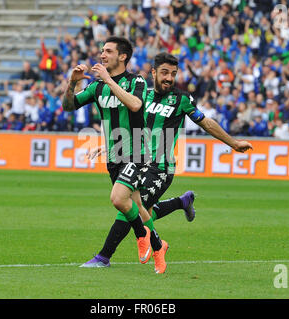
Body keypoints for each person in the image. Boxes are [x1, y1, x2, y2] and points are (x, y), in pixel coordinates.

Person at [82, 53, 253, 274]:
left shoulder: (182, 99)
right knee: (142, 210)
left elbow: (207, 123)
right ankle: (181, 202)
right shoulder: (144, 96)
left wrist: (233, 143)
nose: (169, 78)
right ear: (153, 73)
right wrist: (110, 148)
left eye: (173, 74)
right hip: (139, 161)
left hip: (161, 168)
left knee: (128, 206)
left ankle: (104, 256)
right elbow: (136, 132)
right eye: (164, 72)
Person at [62, 36, 158, 269]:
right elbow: (68, 106)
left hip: (137, 152)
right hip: (114, 156)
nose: (102, 55)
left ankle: (140, 237)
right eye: (102, 51)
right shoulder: (97, 87)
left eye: (108, 51)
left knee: (118, 199)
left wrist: (108, 79)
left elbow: (135, 105)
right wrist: (72, 83)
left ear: (122, 56)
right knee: (137, 207)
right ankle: (158, 245)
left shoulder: (137, 82)